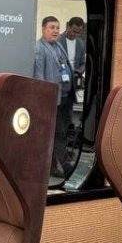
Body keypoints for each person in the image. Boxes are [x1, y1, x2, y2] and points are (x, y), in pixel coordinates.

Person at [33, 16, 76, 177]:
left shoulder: (58, 46)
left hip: (65, 98)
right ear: (43, 29)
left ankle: (51, 167)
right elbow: (39, 78)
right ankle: (65, 166)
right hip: (51, 101)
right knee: (58, 133)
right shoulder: (39, 49)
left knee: (59, 133)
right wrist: (44, 102)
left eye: (57, 28)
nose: (56, 31)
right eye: (52, 27)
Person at [62, 17, 87, 89]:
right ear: (68, 27)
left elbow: (83, 63)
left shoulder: (81, 44)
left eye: (78, 33)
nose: (75, 34)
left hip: (74, 82)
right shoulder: (57, 41)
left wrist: (78, 71)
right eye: (74, 31)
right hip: (60, 81)